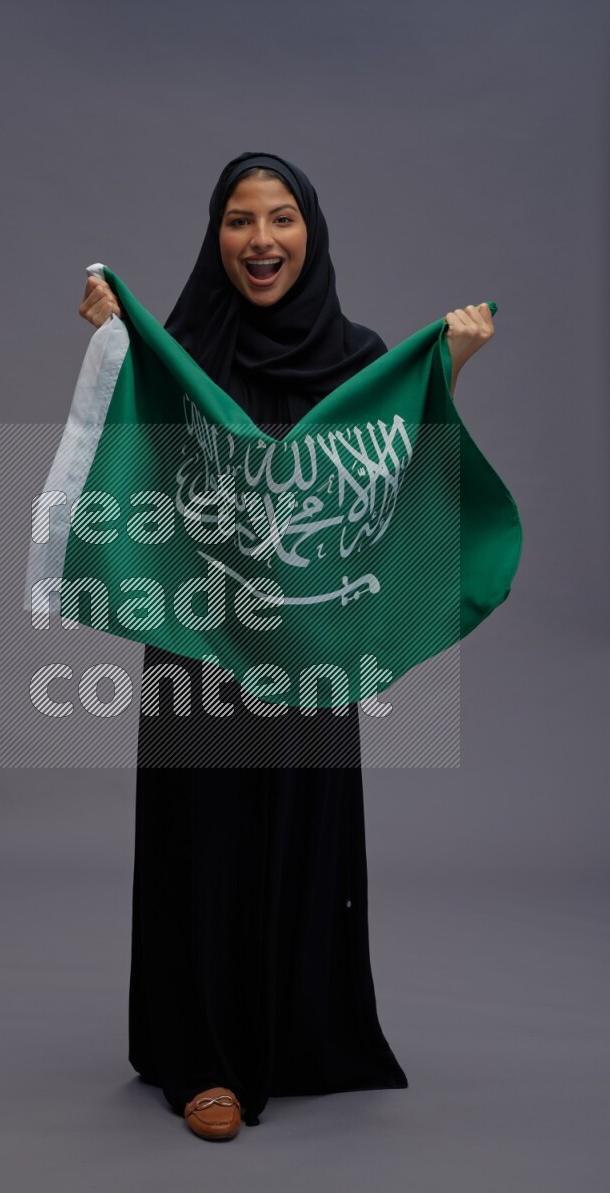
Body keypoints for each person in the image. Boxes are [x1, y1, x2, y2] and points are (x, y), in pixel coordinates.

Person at [78, 151, 495, 1140]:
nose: (258, 240)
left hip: (309, 647)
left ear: (309, 232)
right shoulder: (173, 351)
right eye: (236, 219)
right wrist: (112, 349)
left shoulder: (359, 359)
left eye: (278, 219)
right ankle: (205, 1061)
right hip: (198, 643)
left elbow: (382, 506)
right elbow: (133, 475)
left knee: (302, 833)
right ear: (212, 235)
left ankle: (297, 1032)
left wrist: (448, 370)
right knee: (207, 837)